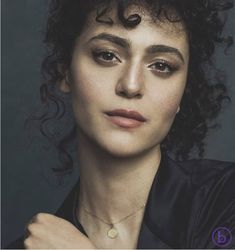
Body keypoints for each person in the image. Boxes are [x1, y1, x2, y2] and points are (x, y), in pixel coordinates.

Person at [6, 0, 235, 249]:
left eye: (161, 65)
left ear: (183, 91)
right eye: (107, 55)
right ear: (65, 71)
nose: (131, 85)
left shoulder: (226, 199)